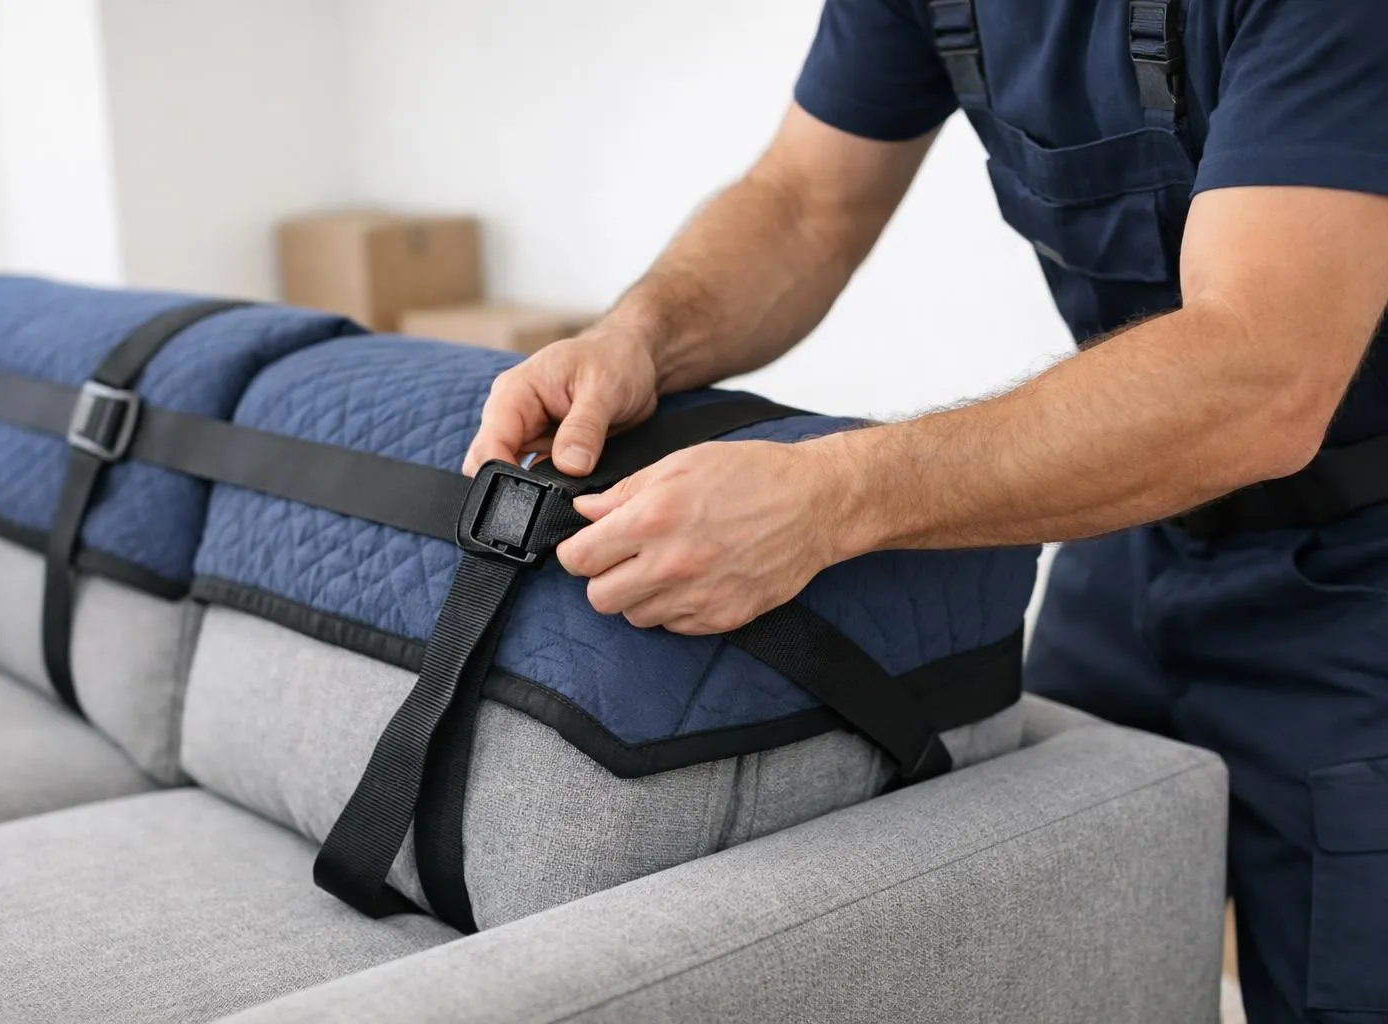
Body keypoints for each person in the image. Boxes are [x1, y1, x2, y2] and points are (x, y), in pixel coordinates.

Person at [463, 3, 1388, 1021]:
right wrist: (639, 338)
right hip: (1132, 529)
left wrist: (833, 496)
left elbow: (1261, 373)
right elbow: (801, 203)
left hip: (1360, 573)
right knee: (1070, 946)